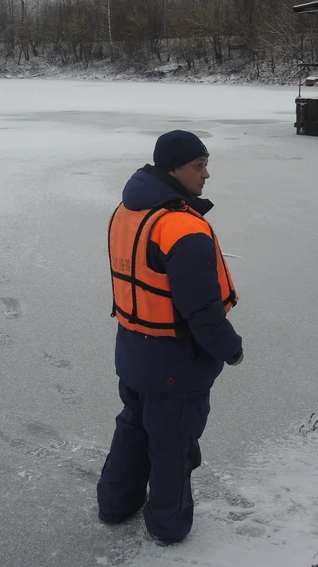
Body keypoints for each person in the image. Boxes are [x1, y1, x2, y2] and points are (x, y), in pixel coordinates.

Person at [97, 129, 243, 544]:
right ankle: (169, 525)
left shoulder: (127, 210)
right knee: (172, 444)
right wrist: (231, 351)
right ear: (173, 169)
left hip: (133, 351)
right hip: (176, 364)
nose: (206, 174)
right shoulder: (181, 228)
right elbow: (202, 312)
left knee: (133, 426)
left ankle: (114, 503)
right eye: (199, 165)